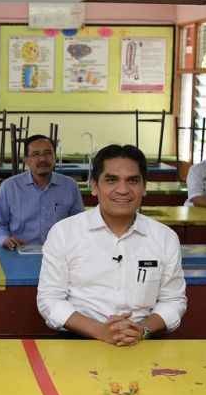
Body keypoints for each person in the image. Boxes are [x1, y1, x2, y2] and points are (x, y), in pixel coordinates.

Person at [36, 144, 187, 346]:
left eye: (132, 181)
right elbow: (49, 300)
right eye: (111, 180)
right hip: (79, 342)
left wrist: (141, 329)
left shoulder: (165, 237)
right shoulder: (64, 232)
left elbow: (174, 300)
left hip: (142, 341)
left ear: (144, 187)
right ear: (94, 186)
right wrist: (100, 331)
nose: (123, 190)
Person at [0, 134, 84, 249]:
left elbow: (79, 224)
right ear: (26, 160)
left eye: (48, 153)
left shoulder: (70, 186)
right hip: (19, 252)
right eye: (35, 154)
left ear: (55, 157)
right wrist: (5, 239)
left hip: (60, 253)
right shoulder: (10, 187)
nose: (42, 159)